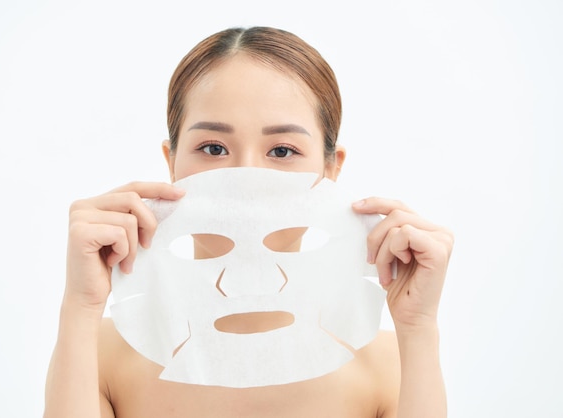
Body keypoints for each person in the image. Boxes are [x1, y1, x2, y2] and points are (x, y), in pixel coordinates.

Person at [43, 26, 453, 418]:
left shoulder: (388, 368)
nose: (245, 179)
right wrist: (80, 306)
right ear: (172, 163)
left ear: (330, 171)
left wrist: (418, 328)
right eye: (214, 147)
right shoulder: (102, 355)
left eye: (282, 151)